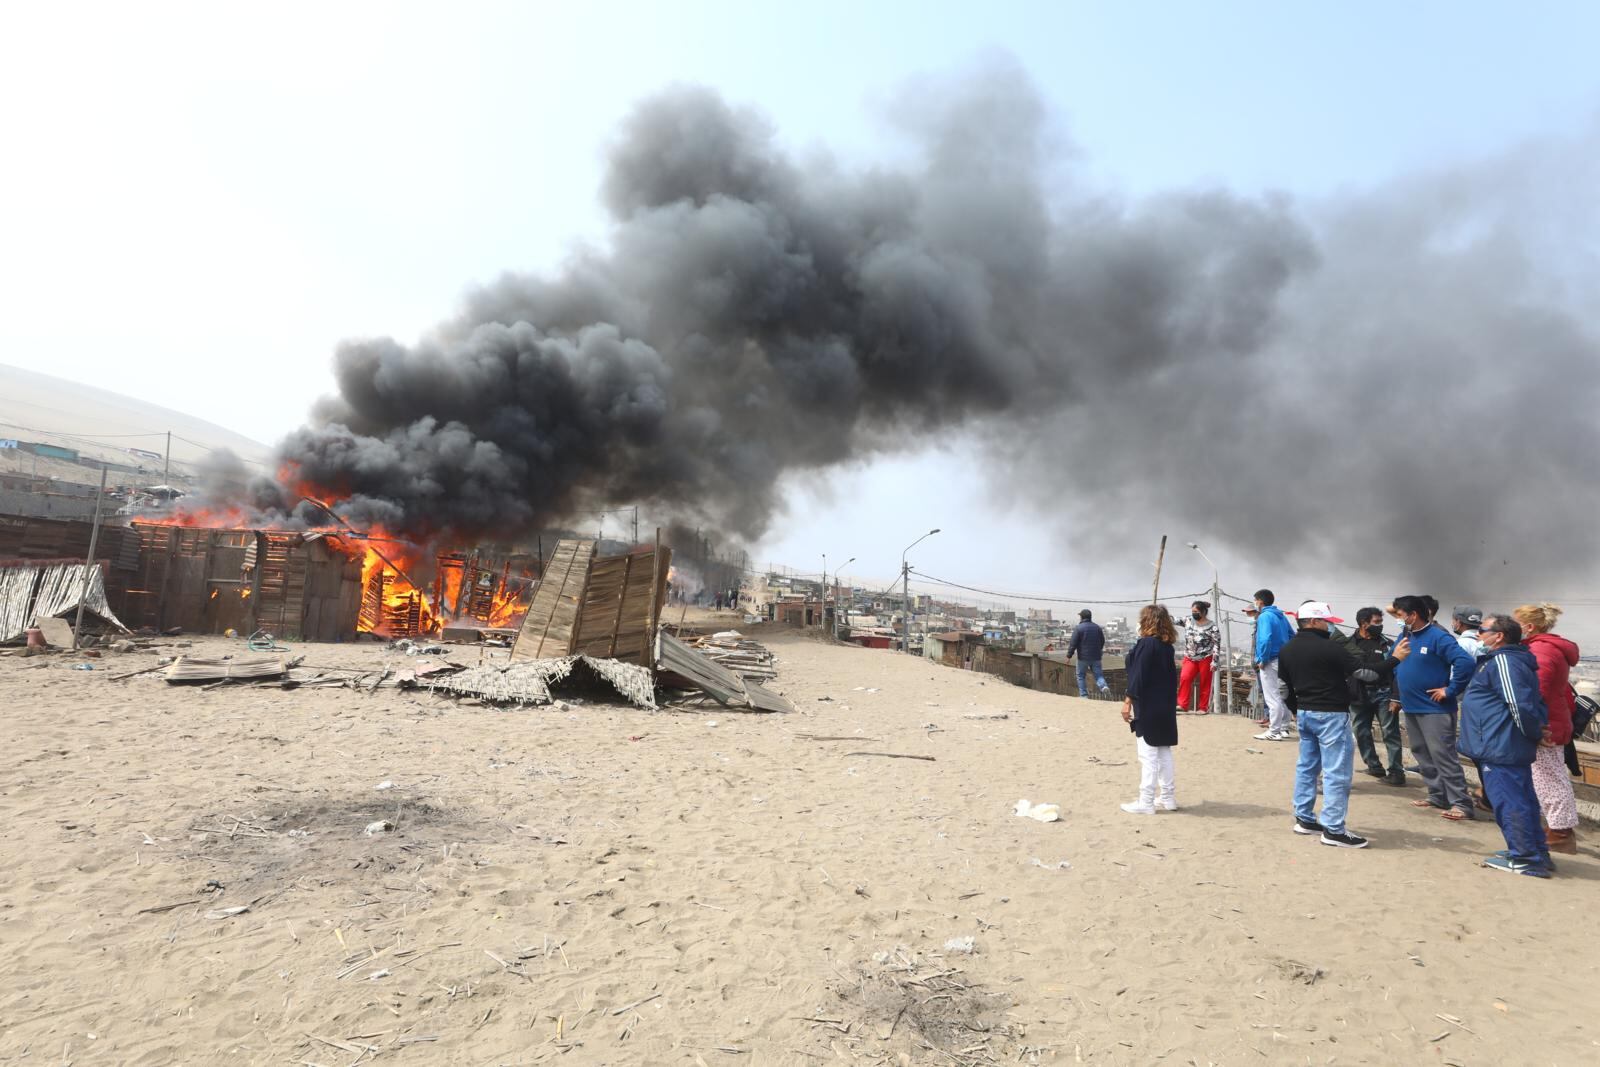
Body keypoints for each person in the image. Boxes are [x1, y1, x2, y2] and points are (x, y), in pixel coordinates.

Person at [1277, 601, 1407, 848]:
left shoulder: (1287, 649)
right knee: (1337, 772)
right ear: (1314, 621)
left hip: (1305, 714)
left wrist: (1297, 710)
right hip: (1332, 716)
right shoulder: (1332, 648)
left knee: (1307, 767)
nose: (1329, 625)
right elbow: (1366, 674)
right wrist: (1395, 660)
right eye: (1326, 621)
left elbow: (1283, 688)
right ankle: (1334, 830)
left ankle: (1304, 819)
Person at [1458, 614, 1552, 877]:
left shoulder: (1503, 661)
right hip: (1502, 744)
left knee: (1509, 802)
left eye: (1482, 630)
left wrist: (1534, 733)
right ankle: (1536, 853)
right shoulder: (1508, 660)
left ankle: (1526, 858)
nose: (1478, 634)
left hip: (1500, 746)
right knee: (1522, 799)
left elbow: (1519, 704)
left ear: (1498, 636)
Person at [1390, 594, 1478, 820]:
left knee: (1443, 755)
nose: (1397, 619)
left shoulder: (1438, 637)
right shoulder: (1405, 635)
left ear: (1413, 615)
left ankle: (1461, 803)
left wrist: (1450, 689)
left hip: (1435, 709)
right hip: (1412, 707)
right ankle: (1437, 794)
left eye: (1401, 615)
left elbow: (1465, 662)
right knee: (1421, 752)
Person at [1514, 602, 1581, 855]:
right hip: (1552, 719)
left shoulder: (1540, 650)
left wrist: (1534, 725)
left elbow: (1535, 691)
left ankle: (1561, 833)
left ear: (1529, 626)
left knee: (1549, 778)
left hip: (1547, 724)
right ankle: (1556, 829)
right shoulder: (1543, 647)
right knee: (1545, 776)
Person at [1120, 604, 1180, 814]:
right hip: (1165, 705)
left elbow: (1138, 675)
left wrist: (1128, 701)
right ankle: (1167, 797)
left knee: (1147, 754)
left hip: (1149, 706)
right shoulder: (1166, 646)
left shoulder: (1147, 644)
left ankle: (1146, 801)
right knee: (1163, 752)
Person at [1343, 607, 1406, 785]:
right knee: (1361, 731)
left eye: (1380, 622)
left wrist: (1396, 696)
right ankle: (1374, 766)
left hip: (1384, 694)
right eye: (1376, 622)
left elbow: (1396, 672)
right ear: (1364, 624)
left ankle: (1396, 773)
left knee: (1390, 732)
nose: (1380, 625)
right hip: (1358, 695)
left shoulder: (1387, 644)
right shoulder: (1349, 644)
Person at [1251, 590, 1297, 741]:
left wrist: (1263, 659)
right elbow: (1292, 635)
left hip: (1270, 660)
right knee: (1282, 694)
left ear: (1260, 602)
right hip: (1283, 659)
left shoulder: (1264, 616)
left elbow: (1265, 639)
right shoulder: (1280, 615)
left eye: (1255, 601)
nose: (1255, 604)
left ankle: (1274, 730)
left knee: (1272, 696)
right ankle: (1283, 728)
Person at [1177, 600, 1220, 714]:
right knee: (1185, 678)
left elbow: (1216, 644)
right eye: (1192, 611)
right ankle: (1182, 704)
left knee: (1205, 682)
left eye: (1196, 611)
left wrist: (1214, 661)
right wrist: (1160, 613)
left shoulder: (1212, 627)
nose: (1193, 613)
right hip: (1189, 657)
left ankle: (1203, 707)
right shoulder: (1188, 621)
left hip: (1206, 657)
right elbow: (1172, 620)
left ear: (1203, 612)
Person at [1067, 609, 1109, 697]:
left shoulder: (1079, 628)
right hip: (1096, 657)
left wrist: (1069, 656)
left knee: (1080, 676)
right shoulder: (1097, 628)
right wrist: (1098, 650)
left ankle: (1084, 695)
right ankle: (1103, 686)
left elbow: (1073, 643)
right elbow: (1102, 641)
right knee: (1098, 675)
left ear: (1082, 617)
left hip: (1083, 658)